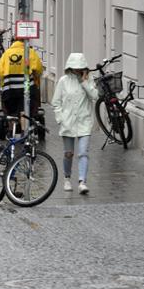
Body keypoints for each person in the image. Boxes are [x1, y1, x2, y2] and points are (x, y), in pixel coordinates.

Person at [52, 53, 99, 195]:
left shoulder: (89, 79)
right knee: (68, 153)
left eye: (81, 68)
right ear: (70, 68)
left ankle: (82, 182)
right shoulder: (63, 81)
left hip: (84, 121)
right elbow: (56, 102)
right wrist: (60, 119)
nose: (78, 71)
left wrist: (84, 82)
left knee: (83, 152)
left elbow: (95, 96)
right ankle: (67, 178)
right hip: (68, 123)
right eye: (76, 68)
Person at [0, 37, 44, 121]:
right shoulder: (30, 52)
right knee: (25, 109)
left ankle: (11, 130)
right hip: (27, 87)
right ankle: (24, 130)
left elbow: (0, 72)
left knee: (11, 113)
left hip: (9, 89)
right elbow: (38, 69)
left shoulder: (6, 53)